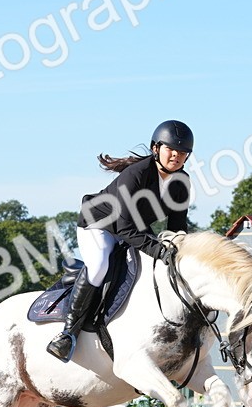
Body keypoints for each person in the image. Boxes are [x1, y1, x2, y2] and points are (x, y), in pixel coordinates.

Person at [47, 119, 193, 361]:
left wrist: (181, 250)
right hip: (100, 224)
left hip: (134, 228)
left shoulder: (182, 182)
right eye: (171, 149)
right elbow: (124, 227)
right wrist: (159, 250)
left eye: (183, 153)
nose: (176, 156)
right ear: (156, 148)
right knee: (99, 265)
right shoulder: (136, 174)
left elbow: (177, 227)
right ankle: (67, 335)